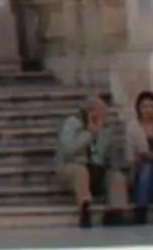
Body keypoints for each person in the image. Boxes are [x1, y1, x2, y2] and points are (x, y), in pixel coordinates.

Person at [55, 92, 131, 227]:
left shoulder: (106, 129)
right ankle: (85, 211)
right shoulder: (71, 124)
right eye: (101, 112)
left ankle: (115, 212)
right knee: (81, 171)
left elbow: (106, 156)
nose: (104, 116)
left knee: (117, 177)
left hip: (96, 169)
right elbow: (68, 150)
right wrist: (89, 134)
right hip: (71, 167)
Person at [130, 90, 153, 226]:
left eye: (150, 106)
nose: (147, 110)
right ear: (138, 108)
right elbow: (132, 155)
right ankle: (141, 211)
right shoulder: (133, 127)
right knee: (146, 168)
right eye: (144, 106)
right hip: (139, 170)